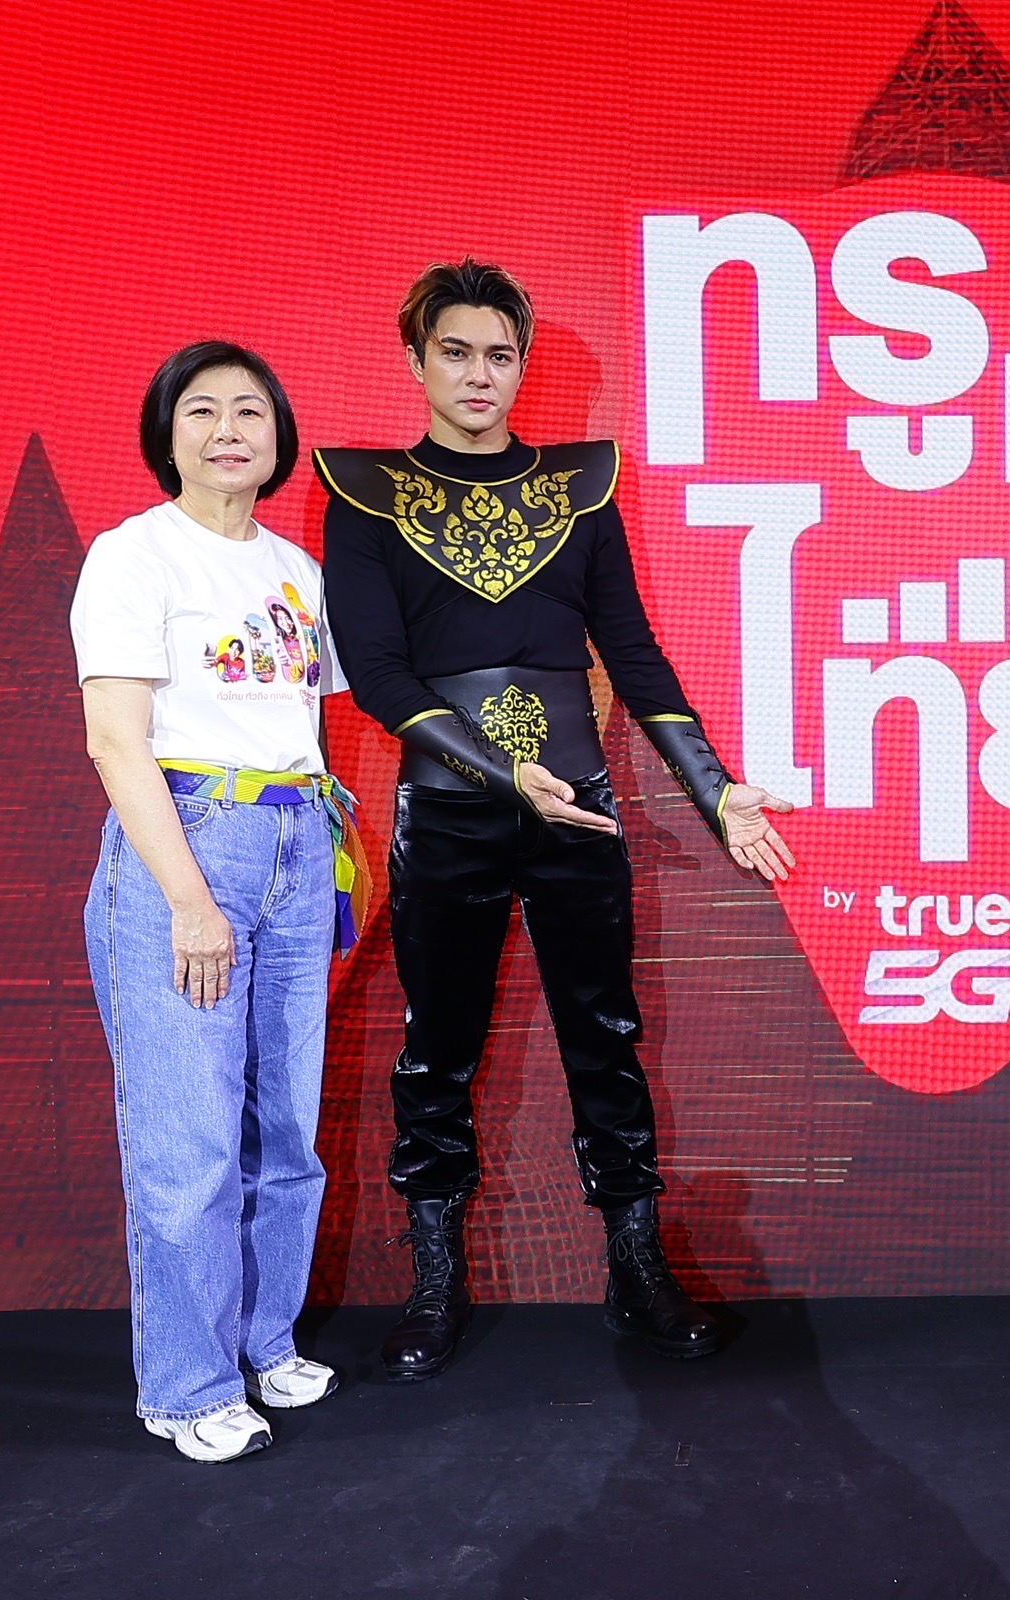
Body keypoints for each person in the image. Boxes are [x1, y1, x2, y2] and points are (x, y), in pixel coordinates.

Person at [319, 259, 795, 1381]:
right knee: (437, 1048)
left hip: (579, 808)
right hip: (449, 811)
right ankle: (435, 1281)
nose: (479, 375)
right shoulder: (365, 493)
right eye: (456, 352)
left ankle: (636, 1271)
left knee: (606, 1036)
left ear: (522, 365)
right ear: (417, 359)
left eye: (500, 355)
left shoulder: (581, 487)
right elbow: (378, 675)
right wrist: (501, 774)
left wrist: (714, 786)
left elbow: (632, 652)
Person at [74, 341, 352, 1462]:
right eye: (202, 411)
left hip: (296, 839)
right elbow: (115, 740)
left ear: (279, 437)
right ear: (167, 435)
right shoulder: (133, 555)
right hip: (188, 845)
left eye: (250, 411)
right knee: (188, 1138)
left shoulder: (297, 572)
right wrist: (190, 899)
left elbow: (305, 724)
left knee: (286, 1128)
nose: (229, 429)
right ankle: (189, 1385)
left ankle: (263, 1341)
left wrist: (324, 854)